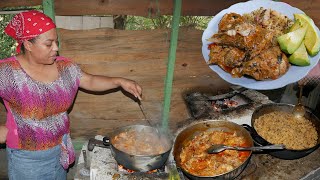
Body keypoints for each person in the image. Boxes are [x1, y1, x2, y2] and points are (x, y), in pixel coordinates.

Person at [0, 10, 142, 179]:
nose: (56, 48)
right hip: (27, 159)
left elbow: (89, 81)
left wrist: (119, 81)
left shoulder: (65, 67)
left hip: (60, 150)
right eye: (48, 44)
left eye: (56, 42)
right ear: (28, 45)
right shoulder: (7, 72)